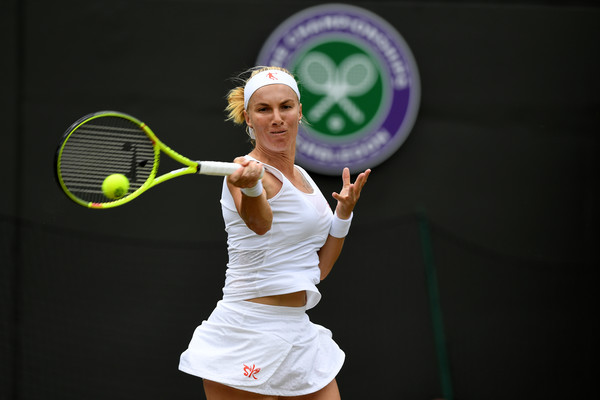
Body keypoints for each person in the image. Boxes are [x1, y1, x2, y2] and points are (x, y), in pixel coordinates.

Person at [179, 66, 370, 400]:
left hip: (298, 331)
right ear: (249, 119)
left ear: (299, 112)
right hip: (246, 329)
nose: (277, 118)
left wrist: (343, 215)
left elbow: (319, 271)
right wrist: (252, 188)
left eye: (286, 107)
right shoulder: (242, 172)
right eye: (264, 109)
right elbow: (260, 223)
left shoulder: (304, 178)